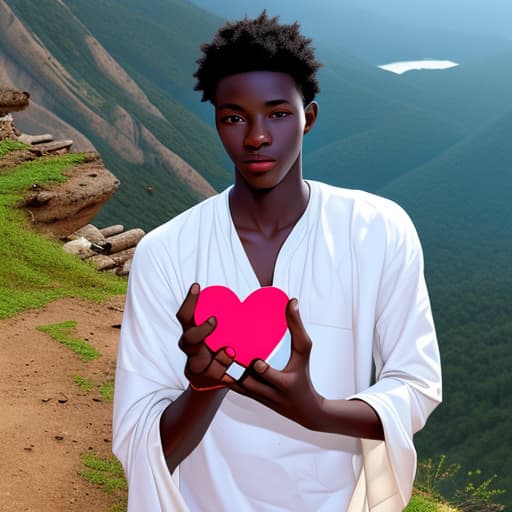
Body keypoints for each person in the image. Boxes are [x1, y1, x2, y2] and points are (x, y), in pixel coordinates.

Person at [112, 11, 442, 512]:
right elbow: (143, 445)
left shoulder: (377, 231)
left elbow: (417, 385)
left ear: (308, 115)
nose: (257, 136)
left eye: (278, 114)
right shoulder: (166, 251)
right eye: (234, 117)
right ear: (217, 120)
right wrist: (204, 387)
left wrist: (319, 412)